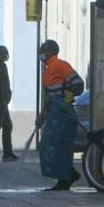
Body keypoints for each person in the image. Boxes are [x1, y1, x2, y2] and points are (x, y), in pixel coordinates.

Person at [38, 39, 83, 190]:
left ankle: (66, 178)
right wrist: (42, 115)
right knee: (55, 145)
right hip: (55, 112)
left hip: (63, 113)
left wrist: (66, 101)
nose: (41, 52)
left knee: (56, 145)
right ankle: (67, 175)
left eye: (43, 49)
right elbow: (48, 97)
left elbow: (78, 84)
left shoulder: (59, 65)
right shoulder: (48, 68)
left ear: (50, 51)